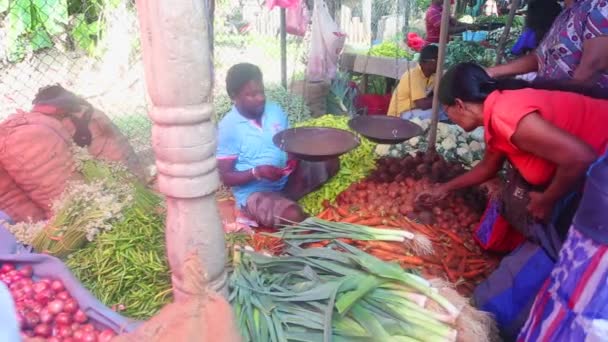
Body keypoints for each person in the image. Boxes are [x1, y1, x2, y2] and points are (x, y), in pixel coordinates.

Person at [422, 62, 608, 339]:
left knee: (550, 273)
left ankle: (509, 324)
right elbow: (488, 168)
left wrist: (547, 199)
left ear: (459, 105)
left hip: (597, 182)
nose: (452, 121)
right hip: (587, 181)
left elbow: (580, 157)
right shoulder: (498, 113)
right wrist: (445, 188)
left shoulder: (506, 115)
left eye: (447, 112)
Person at [216, 63, 339, 229]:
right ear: (234, 96)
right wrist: (257, 172)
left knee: (330, 161)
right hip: (255, 194)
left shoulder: (274, 110)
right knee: (293, 216)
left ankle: (283, 200)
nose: (260, 98)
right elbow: (226, 177)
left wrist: (293, 156)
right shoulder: (229, 127)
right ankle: (260, 210)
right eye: (251, 94)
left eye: (261, 91)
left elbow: (287, 141)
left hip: (287, 180)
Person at [488, 0, 608, 88]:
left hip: (577, 109)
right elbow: (539, 57)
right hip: (550, 99)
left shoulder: (600, 7)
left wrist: (535, 93)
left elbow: (589, 74)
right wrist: (491, 72)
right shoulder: (567, 12)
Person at [387, 45, 447, 121]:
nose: (441, 64)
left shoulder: (432, 75)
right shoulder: (413, 75)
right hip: (399, 116)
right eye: (438, 60)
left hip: (414, 110)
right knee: (437, 111)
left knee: (444, 109)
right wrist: (443, 96)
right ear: (428, 62)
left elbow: (432, 96)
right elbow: (423, 105)